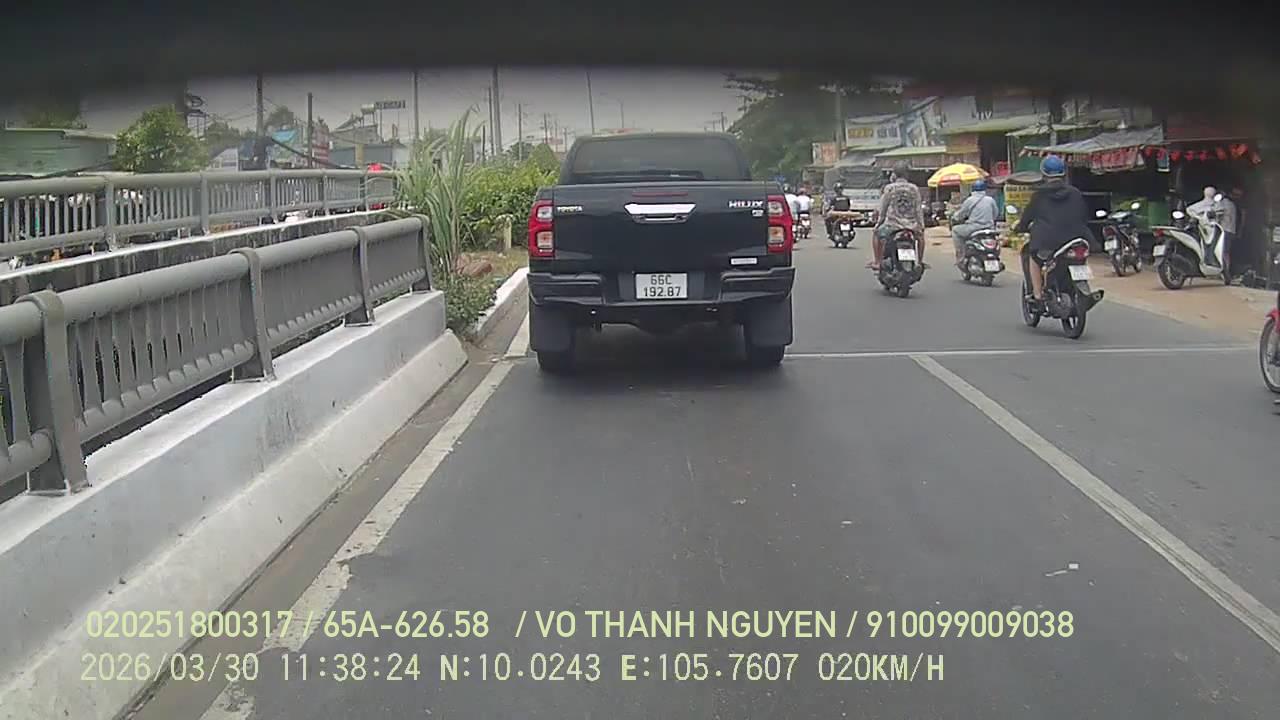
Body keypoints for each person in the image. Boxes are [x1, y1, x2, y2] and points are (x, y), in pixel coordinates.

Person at [1013, 154, 1094, 304]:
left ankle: (1037, 295)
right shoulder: (1075, 193)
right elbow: (1084, 216)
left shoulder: (1039, 195)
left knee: (1033, 257)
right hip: (1075, 240)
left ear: (1044, 174)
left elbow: (1027, 217)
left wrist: (1020, 227)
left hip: (1047, 243)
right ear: (1063, 173)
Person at [869, 161, 925, 270]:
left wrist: (878, 224)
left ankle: (877, 262)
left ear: (894, 174)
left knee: (876, 234)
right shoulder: (914, 188)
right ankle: (920, 262)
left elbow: (883, 209)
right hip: (911, 226)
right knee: (921, 238)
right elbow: (918, 210)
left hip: (892, 226)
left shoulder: (889, 188)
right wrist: (921, 226)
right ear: (907, 174)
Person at [1188, 185, 1238, 282]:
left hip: (1223, 230)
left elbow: (1215, 213)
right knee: (1222, 251)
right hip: (1226, 230)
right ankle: (1222, 272)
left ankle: (1224, 272)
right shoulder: (1226, 204)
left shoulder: (1222, 204)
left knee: (1221, 252)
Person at [949, 179, 999, 268]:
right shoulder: (990, 200)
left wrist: (955, 217)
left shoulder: (970, 200)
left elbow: (961, 214)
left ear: (973, 189)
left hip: (974, 227)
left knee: (955, 230)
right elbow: (995, 214)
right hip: (989, 228)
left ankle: (961, 257)